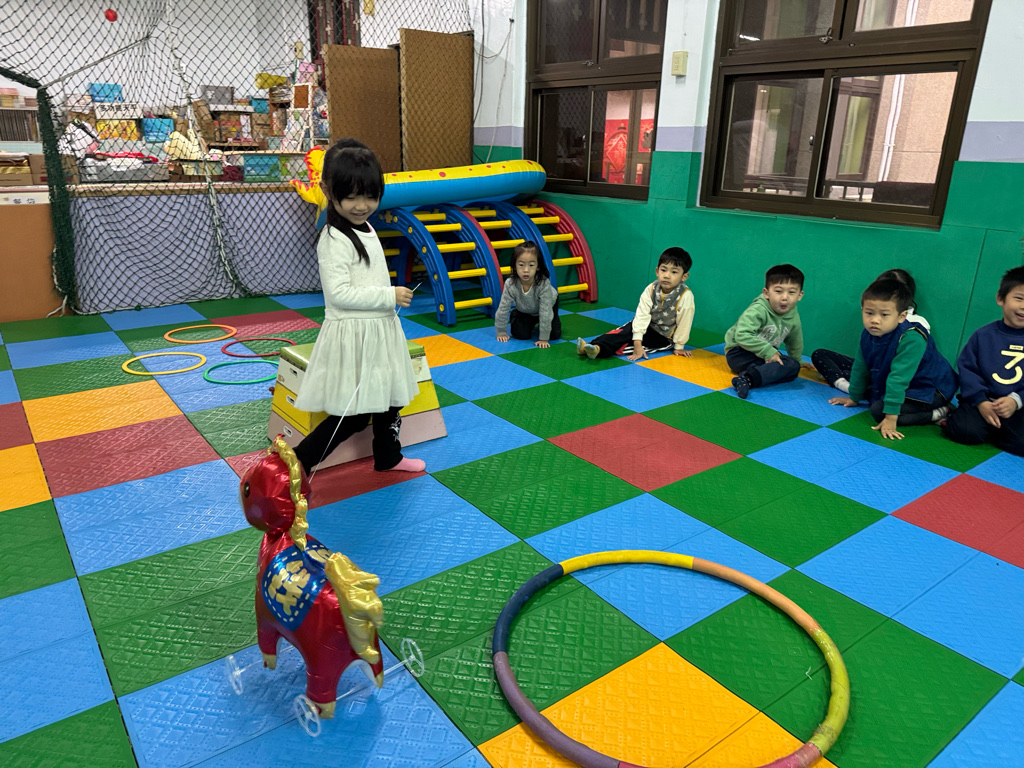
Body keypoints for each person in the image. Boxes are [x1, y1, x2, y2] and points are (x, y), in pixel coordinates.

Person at [290, 138, 424, 476]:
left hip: (379, 330)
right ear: (328, 191)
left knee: (391, 398)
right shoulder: (333, 238)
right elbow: (339, 295)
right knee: (353, 414)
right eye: (351, 197)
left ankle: (388, 456)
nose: (362, 205)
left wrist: (387, 301)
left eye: (370, 196)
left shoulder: (366, 226)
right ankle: (298, 461)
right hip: (355, 335)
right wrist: (388, 295)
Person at [829, 277, 956, 440]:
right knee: (873, 397)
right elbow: (861, 366)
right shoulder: (868, 334)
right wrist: (854, 397)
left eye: (884, 315)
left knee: (879, 411)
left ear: (902, 316)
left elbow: (898, 378)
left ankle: (939, 412)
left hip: (932, 389)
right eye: (869, 313)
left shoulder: (911, 339)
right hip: (906, 386)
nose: (875, 320)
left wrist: (891, 418)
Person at [943, 266, 1024, 456]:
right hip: (982, 402)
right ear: (1001, 298)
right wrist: (981, 401)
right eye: (1019, 298)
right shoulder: (983, 335)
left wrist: (1016, 401)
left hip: (1018, 406)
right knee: (964, 431)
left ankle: (998, 430)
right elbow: (968, 370)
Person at [813, 268, 929, 393]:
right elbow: (862, 361)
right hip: (873, 369)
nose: (875, 319)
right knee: (821, 355)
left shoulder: (915, 326)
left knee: (875, 384)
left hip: (894, 375)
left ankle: (861, 386)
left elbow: (904, 370)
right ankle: (846, 385)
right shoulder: (873, 319)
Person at [576, 247, 694, 361]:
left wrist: (679, 346)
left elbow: (685, 322)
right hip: (646, 326)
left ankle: (598, 350)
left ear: (684, 276)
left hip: (663, 337)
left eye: (674, 272)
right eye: (663, 270)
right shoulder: (651, 289)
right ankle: (592, 346)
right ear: (657, 271)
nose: (667, 275)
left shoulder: (685, 296)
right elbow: (642, 315)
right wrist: (638, 339)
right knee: (621, 333)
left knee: (629, 345)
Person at [724, 264, 809, 398]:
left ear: (800, 295)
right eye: (778, 291)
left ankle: (747, 379)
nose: (785, 297)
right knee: (781, 366)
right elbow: (742, 335)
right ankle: (752, 376)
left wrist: (798, 360)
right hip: (740, 352)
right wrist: (769, 352)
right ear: (766, 293)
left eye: (791, 292)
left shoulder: (793, 315)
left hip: (764, 354)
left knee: (793, 367)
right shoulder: (758, 310)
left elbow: (795, 340)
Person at [494, 240, 561, 347]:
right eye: (521, 265)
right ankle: (517, 315)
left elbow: (546, 312)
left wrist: (543, 339)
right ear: (515, 266)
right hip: (525, 309)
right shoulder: (510, 284)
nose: (526, 270)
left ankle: (550, 322)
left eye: (531, 265)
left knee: (554, 335)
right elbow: (503, 308)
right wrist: (501, 331)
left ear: (538, 266)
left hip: (548, 306)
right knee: (520, 335)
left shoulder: (543, 284)